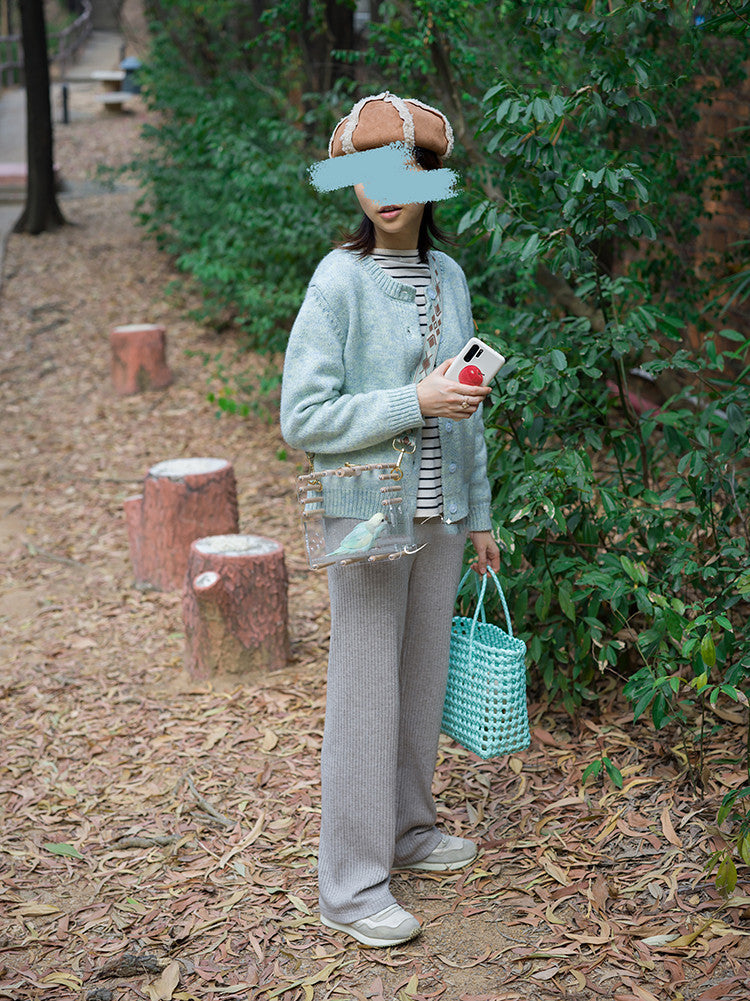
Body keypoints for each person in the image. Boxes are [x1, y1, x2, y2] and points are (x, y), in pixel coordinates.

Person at [280, 92, 500, 948]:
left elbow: (469, 402)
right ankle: (350, 883)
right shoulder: (338, 280)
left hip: (439, 518)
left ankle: (409, 829)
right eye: (368, 174)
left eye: (405, 170)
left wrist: (479, 514)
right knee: (364, 695)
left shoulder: (450, 277)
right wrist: (414, 399)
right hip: (366, 517)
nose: (386, 189)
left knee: (418, 682)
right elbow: (302, 416)